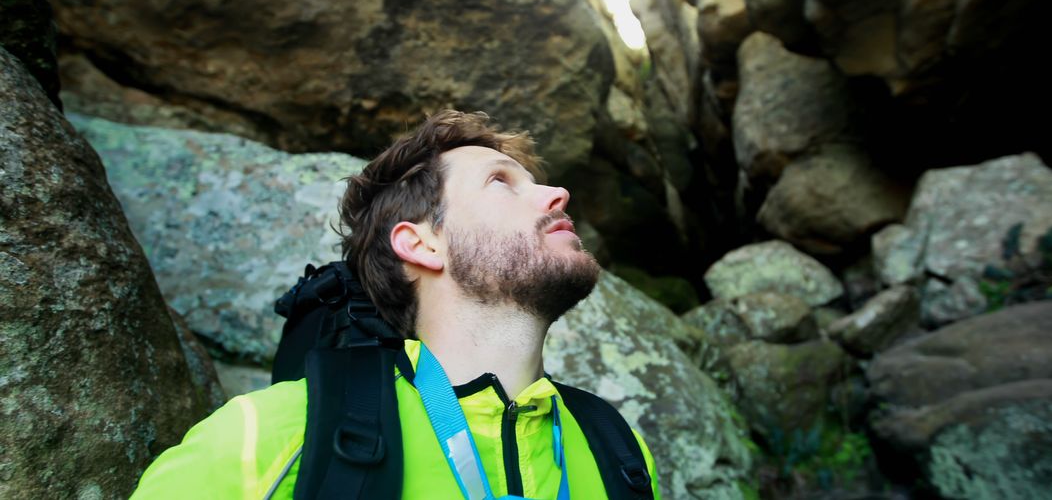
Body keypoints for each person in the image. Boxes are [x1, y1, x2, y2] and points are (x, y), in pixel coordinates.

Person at [132, 110, 660, 499]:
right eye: (501, 181)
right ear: (421, 243)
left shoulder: (620, 451)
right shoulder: (276, 433)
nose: (558, 193)